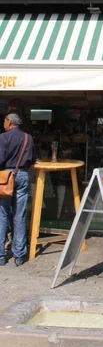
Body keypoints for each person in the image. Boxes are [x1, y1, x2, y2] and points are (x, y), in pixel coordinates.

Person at [0, 113, 36, 266]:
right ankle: (19, 255)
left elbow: (0, 159)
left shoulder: (3, 137)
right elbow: (33, 159)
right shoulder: (28, 137)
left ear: (9, 122)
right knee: (19, 215)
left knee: (2, 214)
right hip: (22, 175)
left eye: (4, 121)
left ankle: (1, 256)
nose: (3, 123)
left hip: (6, 178)